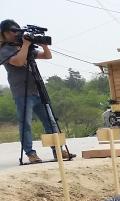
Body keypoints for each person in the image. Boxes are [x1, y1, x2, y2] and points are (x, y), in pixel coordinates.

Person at [0, 19, 72, 164]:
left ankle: (57, 150)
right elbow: (19, 62)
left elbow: (47, 56)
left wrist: (44, 46)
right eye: (14, 31)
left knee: (50, 122)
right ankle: (30, 153)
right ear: (5, 33)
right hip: (22, 92)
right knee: (25, 124)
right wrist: (26, 45)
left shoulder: (22, 46)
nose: (16, 34)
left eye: (18, 31)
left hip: (37, 90)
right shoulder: (4, 49)